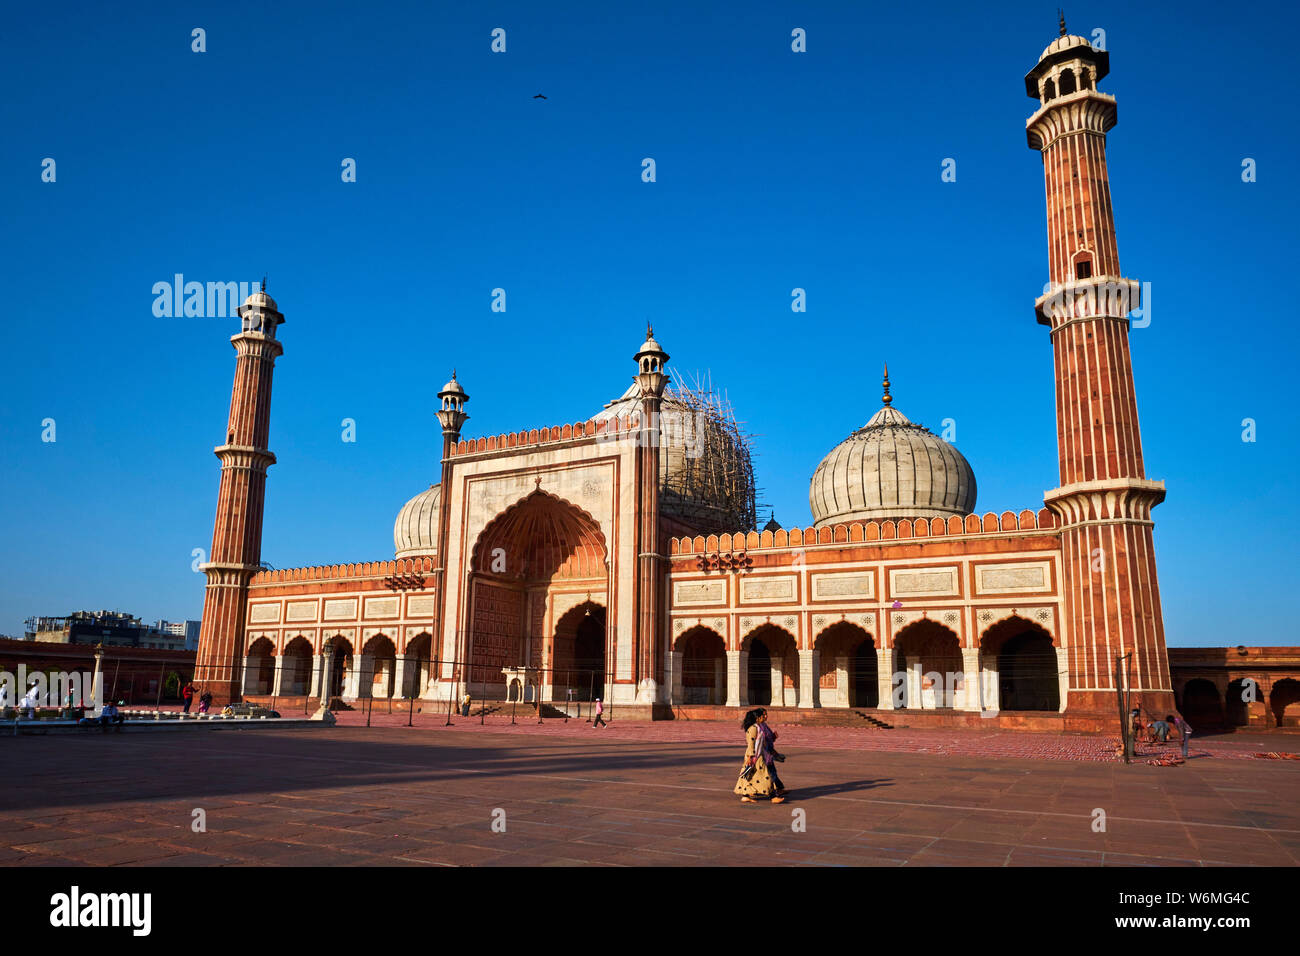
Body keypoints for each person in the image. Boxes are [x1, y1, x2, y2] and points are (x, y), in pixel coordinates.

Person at [734, 708, 787, 804]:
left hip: (757, 755)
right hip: (755, 757)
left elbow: (762, 742)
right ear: (757, 718)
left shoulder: (758, 727)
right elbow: (751, 743)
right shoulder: (753, 728)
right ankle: (773, 797)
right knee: (766, 776)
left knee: (749, 775)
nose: (764, 717)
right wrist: (750, 756)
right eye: (763, 716)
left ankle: (745, 796)